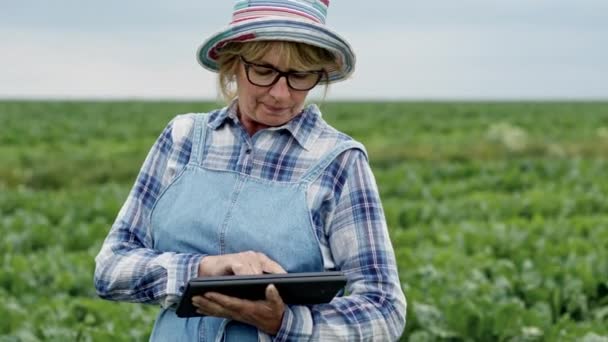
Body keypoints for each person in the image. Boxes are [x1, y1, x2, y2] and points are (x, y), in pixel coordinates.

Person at [94, 0, 406, 340]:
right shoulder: (183, 138)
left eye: (300, 76)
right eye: (264, 70)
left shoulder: (339, 161)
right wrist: (203, 270)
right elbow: (111, 268)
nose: (280, 93)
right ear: (232, 64)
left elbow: (384, 309)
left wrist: (283, 323)